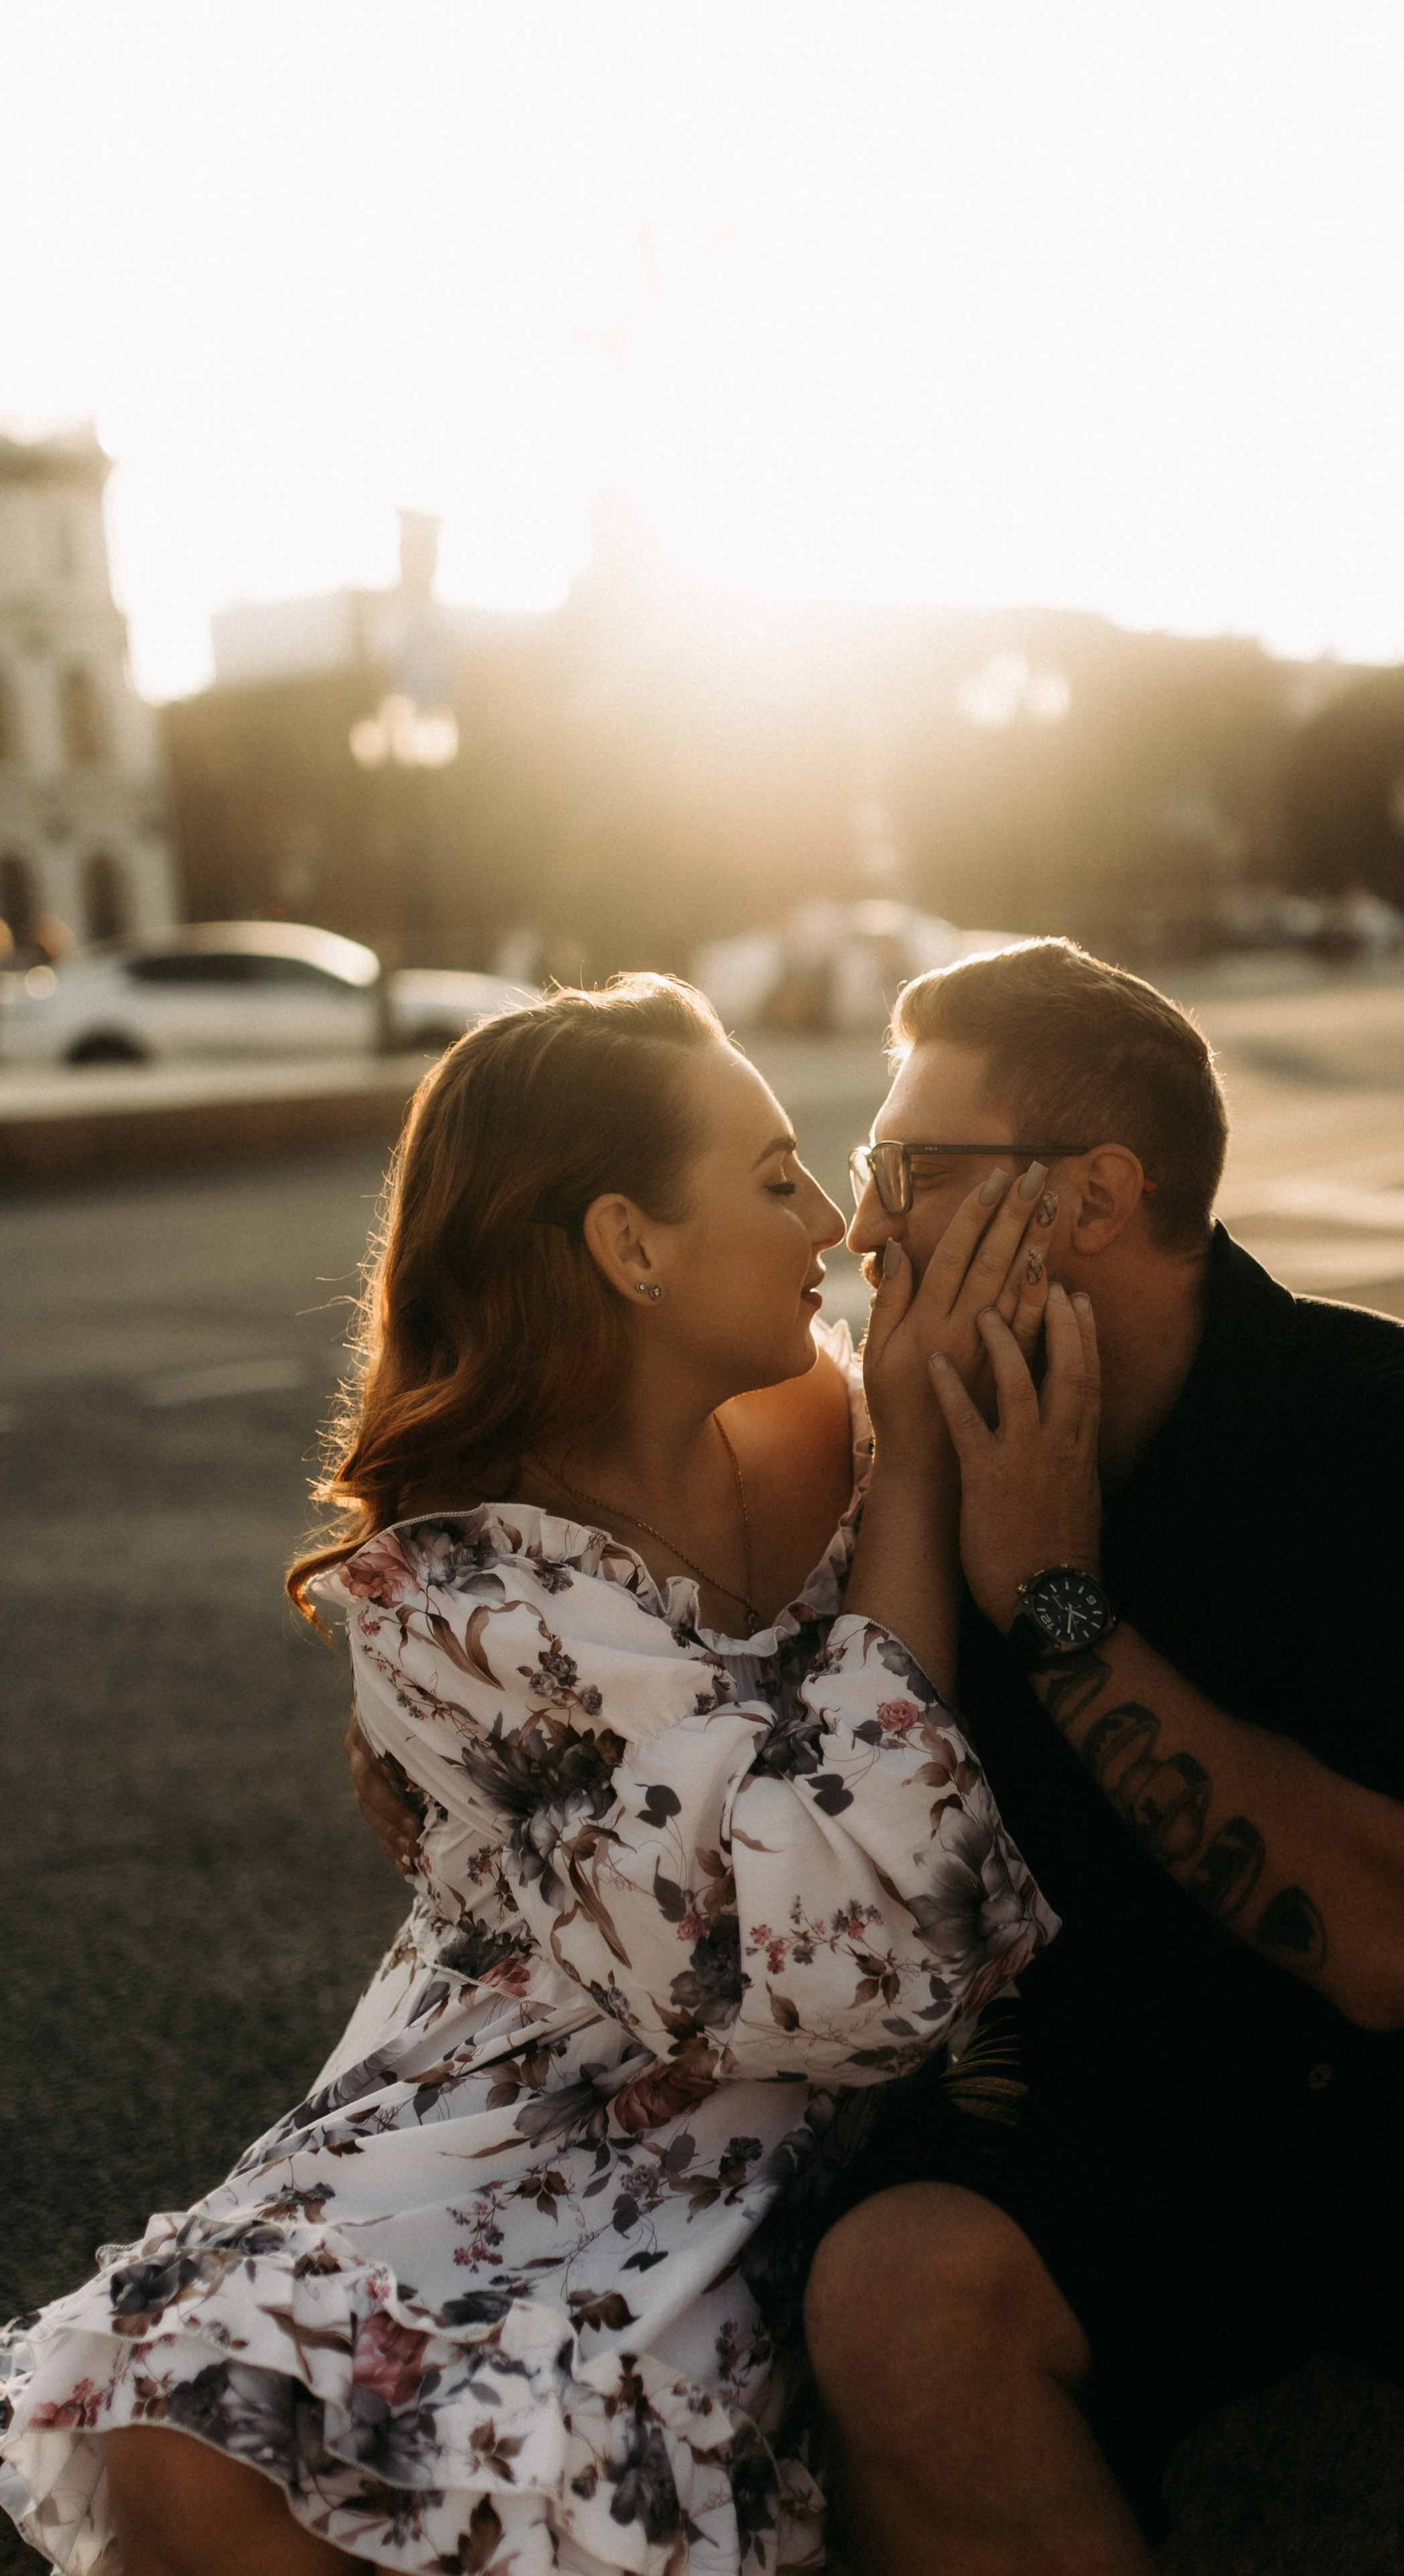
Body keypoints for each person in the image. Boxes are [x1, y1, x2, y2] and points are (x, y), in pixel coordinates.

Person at [0, 975, 1060, 2576]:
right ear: (630, 1246)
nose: (832, 1226)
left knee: (245, 2458)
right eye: (776, 1180)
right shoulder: (448, 1596)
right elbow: (838, 1958)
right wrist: (911, 1469)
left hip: (771, 2134)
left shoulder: (847, 1403)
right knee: (185, 2423)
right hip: (526, 2102)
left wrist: (900, 1448)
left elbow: (870, 1970)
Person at [794, 937, 1404, 2576]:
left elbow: (1398, 1952)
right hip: (1128, 2096)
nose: (864, 1226)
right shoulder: (902, 1446)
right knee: (889, 2298)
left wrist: (1052, 1602)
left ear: (1088, 1198)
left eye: (906, 1170)